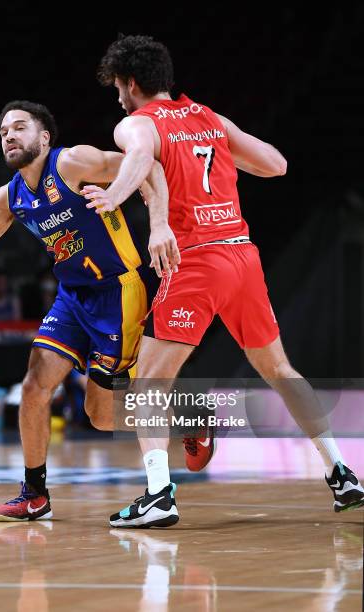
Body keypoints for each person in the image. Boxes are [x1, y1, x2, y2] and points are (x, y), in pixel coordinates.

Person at [82, 34, 364, 527]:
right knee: (280, 370)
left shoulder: (136, 123)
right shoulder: (209, 118)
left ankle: (158, 494)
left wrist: (115, 195)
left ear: (130, 83)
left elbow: (139, 156)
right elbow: (276, 165)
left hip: (195, 262)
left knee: (150, 381)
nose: (118, 97)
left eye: (118, 87)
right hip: (242, 258)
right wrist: (207, 154)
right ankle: (342, 473)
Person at [0, 99, 180, 521]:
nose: (9, 135)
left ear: (44, 137)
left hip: (117, 292)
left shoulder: (74, 162)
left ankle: (189, 419)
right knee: (33, 385)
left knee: (101, 416)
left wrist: (159, 224)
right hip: (72, 296)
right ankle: (34, 493)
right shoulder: (9, 196)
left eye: (20, 128)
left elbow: (148, 165)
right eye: (4, 131)